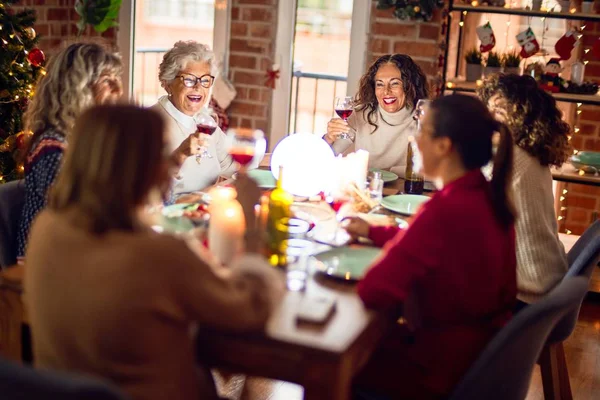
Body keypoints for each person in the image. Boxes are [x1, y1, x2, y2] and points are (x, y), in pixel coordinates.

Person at [24, 104, 282, 400]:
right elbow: (253, 309)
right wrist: (251, 226)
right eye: (161, 152)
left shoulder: (46, 228)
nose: (170, 163)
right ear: (138, 167)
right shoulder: (159, 255)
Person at [345, 95, 517, 399]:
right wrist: (375, 232)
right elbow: (434, 246)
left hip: (437, 370)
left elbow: (373, 290)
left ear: (444, 145)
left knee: (340, 361)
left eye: (422, 130)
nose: (415, 139)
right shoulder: (486, 195)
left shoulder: (444, 210)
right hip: (481, 359)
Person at [16, 42, 123, 257]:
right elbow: (78, 217)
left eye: (116, 78)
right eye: (106, 80)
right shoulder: (52, 148)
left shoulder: (85, 138)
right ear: (78, 88)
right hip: (50, 262)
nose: (118, 89)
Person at [477, 74, 569, 310]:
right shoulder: (531, 153)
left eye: (499, 111)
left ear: (522, 115)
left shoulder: (512, 158)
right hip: (546, 277)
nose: (488, 119)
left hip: (526, 289)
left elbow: (470, 209)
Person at [151, 40, 260, 200]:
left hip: (205, 209)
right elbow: (149, 189)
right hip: (171, 214)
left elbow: (233, 165)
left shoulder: (205, 121)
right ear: (167, 83)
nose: (198, 87)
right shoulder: (151, 124)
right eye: (189, 79)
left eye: (205, 80)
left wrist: (274, 159)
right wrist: (181, 154)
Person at [324, 54, 429, 171]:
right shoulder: (360, 115)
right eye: (379, 84)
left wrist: (392, 170)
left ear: (409, 85)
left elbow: (431, 171)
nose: (386, 91)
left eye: (394, 83)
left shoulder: (425, 118)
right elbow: (325, 157)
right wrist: (329, 138)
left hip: (405, 189)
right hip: (367, 188)